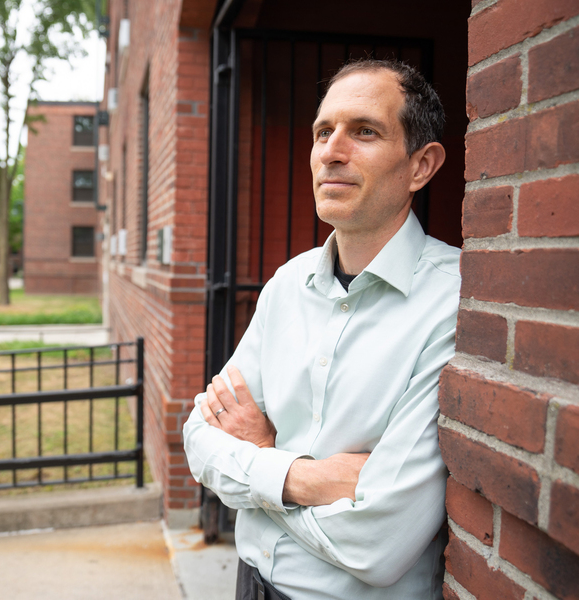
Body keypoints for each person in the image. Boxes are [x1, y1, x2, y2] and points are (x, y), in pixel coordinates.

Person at [183, 58, 460, 600]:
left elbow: (375, 546)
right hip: (249, 582)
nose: (331, 151)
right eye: (323, 131)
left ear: (421, 166)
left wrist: (258, 459)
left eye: (365, 131)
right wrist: (306, 478)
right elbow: (199, 438)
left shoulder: (451, 301)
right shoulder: (288, 283)